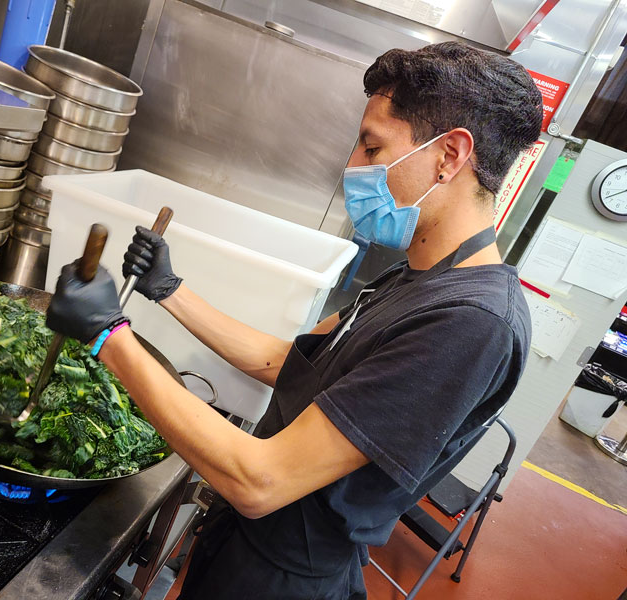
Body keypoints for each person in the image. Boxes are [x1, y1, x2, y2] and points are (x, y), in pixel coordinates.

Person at [46, 42, 543, 599]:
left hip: (285, 580)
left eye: (372, 147)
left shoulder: (470, 323)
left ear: (449, 155)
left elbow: (261, 480)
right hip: (247, 545)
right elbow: (288, 363)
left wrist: (109, 337)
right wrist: (170, 291)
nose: (353, 167)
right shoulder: (417, 279)